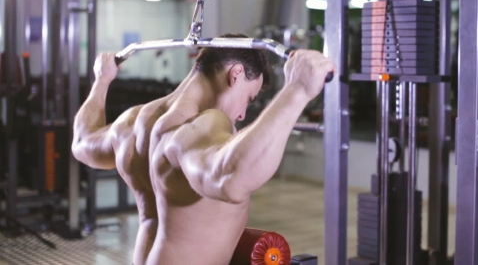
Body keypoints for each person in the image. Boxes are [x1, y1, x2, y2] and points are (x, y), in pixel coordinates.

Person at [72, 37, 335, 265]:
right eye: (248, 98)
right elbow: (230, 179)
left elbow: (82, 143)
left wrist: (102, 80)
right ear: (236, 74)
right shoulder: (203, 124)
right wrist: (297, 90)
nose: (243, 113)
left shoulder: (134, 121)